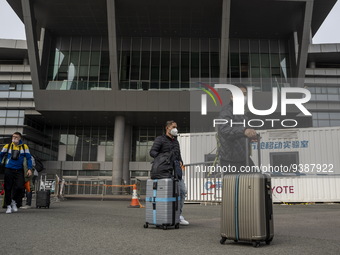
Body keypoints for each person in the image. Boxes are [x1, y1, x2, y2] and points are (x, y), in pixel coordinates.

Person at [150, 120, 189, 225]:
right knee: (167, 194)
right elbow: (152, 152)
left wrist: (181, 162)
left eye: (176, 127)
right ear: (167, 128)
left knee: (182, 191)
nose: (175, 129)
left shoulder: (176, 141)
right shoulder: (160, 139)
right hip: (164, 170)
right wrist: (164, 158)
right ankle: (165, 216)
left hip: (176, 169)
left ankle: (178, 215)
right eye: (173, 127)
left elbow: (178, 154)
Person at [217, 84, 258, 173]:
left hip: (243, 158)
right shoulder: (226, 111)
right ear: (232, 96)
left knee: (258, 180)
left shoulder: (242, 112)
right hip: (230, 160)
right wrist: (244, 131)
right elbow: (225, 130)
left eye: (245, 94)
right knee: (234, 185)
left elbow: (242, 131)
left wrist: (250, 136)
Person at [0, 132, 33, 214]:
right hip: (9, 169)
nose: (14, 138)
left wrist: (29, 169)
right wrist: (1, 163)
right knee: (8, 188)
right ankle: (8, 206)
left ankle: (13, 201)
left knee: (20, 186)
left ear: (20, 138)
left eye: (16, 137)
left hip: (19, 170)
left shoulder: (24, 147)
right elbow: (0, 155)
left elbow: (29, 158)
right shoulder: (7, 146)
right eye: (13, 136)